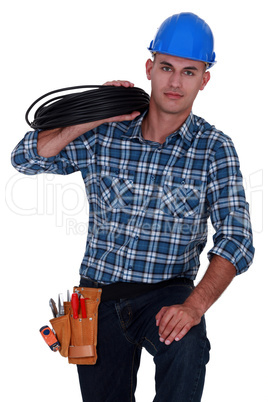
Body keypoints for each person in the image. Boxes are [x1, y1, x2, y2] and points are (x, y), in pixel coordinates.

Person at [11, 12, 254, 402]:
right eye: (166, 67)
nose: (175, 82)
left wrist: (193, 308)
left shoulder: (214, 149)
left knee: (187, 345)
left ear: (204, 79)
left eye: (189, 72)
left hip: (167, 294)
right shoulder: (105, 133)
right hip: (98, 299)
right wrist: (92, 115)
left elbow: (237, 240)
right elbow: (26, 158)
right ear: (149, 68)